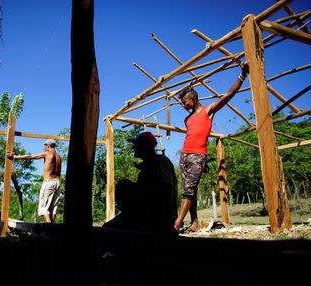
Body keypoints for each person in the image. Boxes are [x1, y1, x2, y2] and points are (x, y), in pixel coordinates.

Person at [174, 62, 249, 233]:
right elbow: (195, 136)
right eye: (182, 103)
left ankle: (176, 224)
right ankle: (194, 223)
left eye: (185, 102)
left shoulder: (208, 111)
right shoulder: (187, 119)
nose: (183, 105)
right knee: (189, 190)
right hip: (184, 156)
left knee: (189, 190)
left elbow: (228, 95)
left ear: (194, 99)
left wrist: (242, 76)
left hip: (197, 157)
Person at [103, 131, 178, 234]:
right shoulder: (147, 166)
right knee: (107, 228)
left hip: (156, 218)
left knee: (123, 184)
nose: (133, 148)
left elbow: (166, 192)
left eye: (136, 145)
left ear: (144, 147)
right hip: (144, 215)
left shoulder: (160, 162)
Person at [6, 139, 62, 223]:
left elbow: (30, 157)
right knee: (53, 208)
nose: (45, 148)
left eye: (45, 147)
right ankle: (53, 229)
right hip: (57, 182)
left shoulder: (47, 153)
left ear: (48, 146)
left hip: (49, 182)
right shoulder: (59, 157)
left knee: (44, 207)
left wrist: (15, 156)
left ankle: (49, 229)